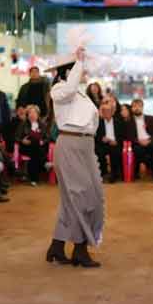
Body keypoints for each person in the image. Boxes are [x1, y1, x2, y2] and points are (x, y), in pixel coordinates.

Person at [45, 47, 104, 268]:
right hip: (70, 145)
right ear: (69, 71)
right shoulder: (60, 90)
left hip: (85, 146)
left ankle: (57, 246)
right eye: (79, 68)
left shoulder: (80, 93)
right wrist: (78, 62)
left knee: (76, 198)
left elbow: (92, 120)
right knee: (82, 197)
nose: (84, 71)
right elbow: (69, 89)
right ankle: (80, 249)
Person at [126, 98, 153, 184]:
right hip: (137, 143)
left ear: (142, 107)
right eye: (134, 106)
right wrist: (139, 141)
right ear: (131, 108)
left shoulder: (152, 119)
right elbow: (129, 136)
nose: (137, 108)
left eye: (139, 106)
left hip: (150, 142)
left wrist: (149, 140)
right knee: (139, 150)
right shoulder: (129, 122)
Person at [15, 105, 50, 186]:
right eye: (30, 112)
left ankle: (34, 179)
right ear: (27, 114)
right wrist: (22, 141)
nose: (32, 114)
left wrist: (43, 141)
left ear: (38, 114)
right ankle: (44, 164)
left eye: (34, 112)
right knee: (35, 146)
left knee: (35, 149)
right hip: (26, 147)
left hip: (38, 148)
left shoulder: (42, 124)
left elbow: (47, 138)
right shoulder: (23, 124)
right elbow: (16, 137)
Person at [95, 98, 125, 183]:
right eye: (104, 111)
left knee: (115, 152)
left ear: (112, 112)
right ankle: (103, 173)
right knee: (99, 152)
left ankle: (114, 174)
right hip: (103, 144)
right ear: (102, 112)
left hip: (115, 143)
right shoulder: (99, 122)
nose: (106, 113)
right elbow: (95, 136)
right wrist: (101, 138)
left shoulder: (118, 121)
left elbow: (123, 135)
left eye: (108, 111)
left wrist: (116, 141)